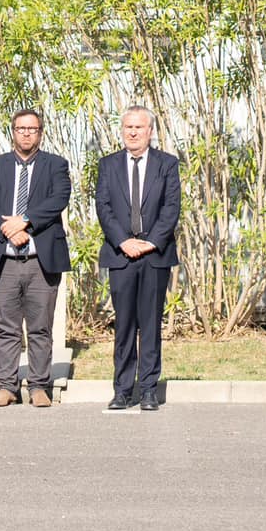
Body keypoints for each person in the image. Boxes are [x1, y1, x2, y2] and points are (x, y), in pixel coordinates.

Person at [0, 109, 72, 407]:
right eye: (21, 128)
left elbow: (59, 199)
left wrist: (25, 221)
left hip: (41, 261)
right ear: (13, 132)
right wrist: (9, 227)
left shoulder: (56, 165)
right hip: (4, 260)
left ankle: (39, 386)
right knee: (6, 328)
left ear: (40, 132)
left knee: (40, 327)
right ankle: (7, 386)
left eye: (32, 129)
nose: (27, 133)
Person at [95, 105, 181, 412]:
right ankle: (122, 389)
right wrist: (123, 241)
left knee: (150, 323)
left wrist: (149, 243)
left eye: (139, 127)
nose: (132, 132)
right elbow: (103, 207)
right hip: (121, 256)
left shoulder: (166, 164)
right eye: (128, 127)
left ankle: (148, 389)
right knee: (124, 325)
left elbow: (171, 208)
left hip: (154, 256)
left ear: (150, 131)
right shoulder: (108, 165)